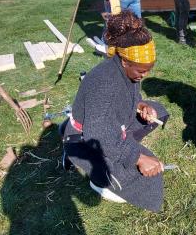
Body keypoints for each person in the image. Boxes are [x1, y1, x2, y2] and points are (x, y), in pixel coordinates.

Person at [61, 12, 168, 212]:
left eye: (149, 69)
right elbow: (98, 133)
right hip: (84, 139)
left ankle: (118, 151)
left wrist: (141, 106)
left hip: (113, 126)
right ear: (125, 61)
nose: (145, 75)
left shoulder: (127, 70)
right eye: (141, 71)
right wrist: (138, 157)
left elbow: (131, 96)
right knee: (148, 182)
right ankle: (97, 178)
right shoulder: (104, 82)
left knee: (159, 112)